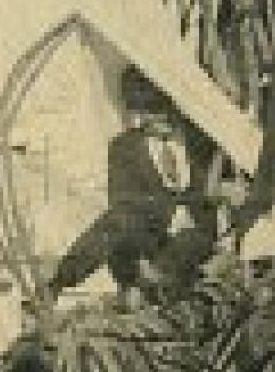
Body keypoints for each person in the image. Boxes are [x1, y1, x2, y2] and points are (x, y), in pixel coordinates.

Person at [46, 70, 224, 301]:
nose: (165, 119)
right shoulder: (124, 147)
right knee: (117, 220)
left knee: (190, 241)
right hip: (150, 230)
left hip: (194, 230)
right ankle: (60, 281)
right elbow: (121, 199)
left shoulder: (198, 140)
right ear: (138, 114)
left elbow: (212, 190)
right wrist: (165, 211)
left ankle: (149, 283)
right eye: (154, 112)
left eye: (168, 111)